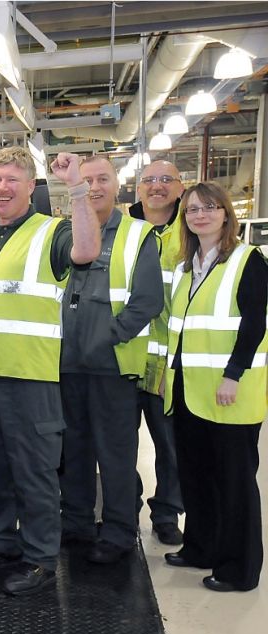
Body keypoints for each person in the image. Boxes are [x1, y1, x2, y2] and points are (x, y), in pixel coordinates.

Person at [0, 147, 101, 596]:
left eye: (13, 179)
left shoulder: (52, 233)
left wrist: (76, 187)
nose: (2, 188)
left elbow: (87, 251)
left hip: (30, 377)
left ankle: (39, 558)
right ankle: (1, 544)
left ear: (31, 187)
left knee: (34, 471)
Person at [58, 156, 164, 563]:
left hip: (113, 366)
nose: (95, 186)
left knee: (116, 454)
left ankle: (120, 531)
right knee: (75, 451)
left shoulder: (139, 236)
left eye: (103, 179)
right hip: (66, 364)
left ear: (117, 185)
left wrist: (110, 338)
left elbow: (148, 301)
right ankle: (78, 522)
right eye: (87, 180)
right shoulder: (65, 233)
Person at [163, 181, 267, 592]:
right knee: (196, 475)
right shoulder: (187, 266)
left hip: (229, 391)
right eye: (192, 210)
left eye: (209, 208)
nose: (200, 215)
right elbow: (183, 328)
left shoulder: (248, 260)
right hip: (189, 389)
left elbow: (254, 325)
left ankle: (239, 569)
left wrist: (233, 374)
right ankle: (200, 547)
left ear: (226, 213)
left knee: (235, 482)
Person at [129, 160, 186, 545]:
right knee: (117, 443)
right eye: (148, 180)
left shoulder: (193, 230)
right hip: (125, 357)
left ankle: (166, 512)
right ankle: (123, 507)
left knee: (171, 446)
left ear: (180, 188)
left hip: (167, 360)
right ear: (137, 190)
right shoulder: (124, 231)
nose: (156, 186)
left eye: (166, 179)